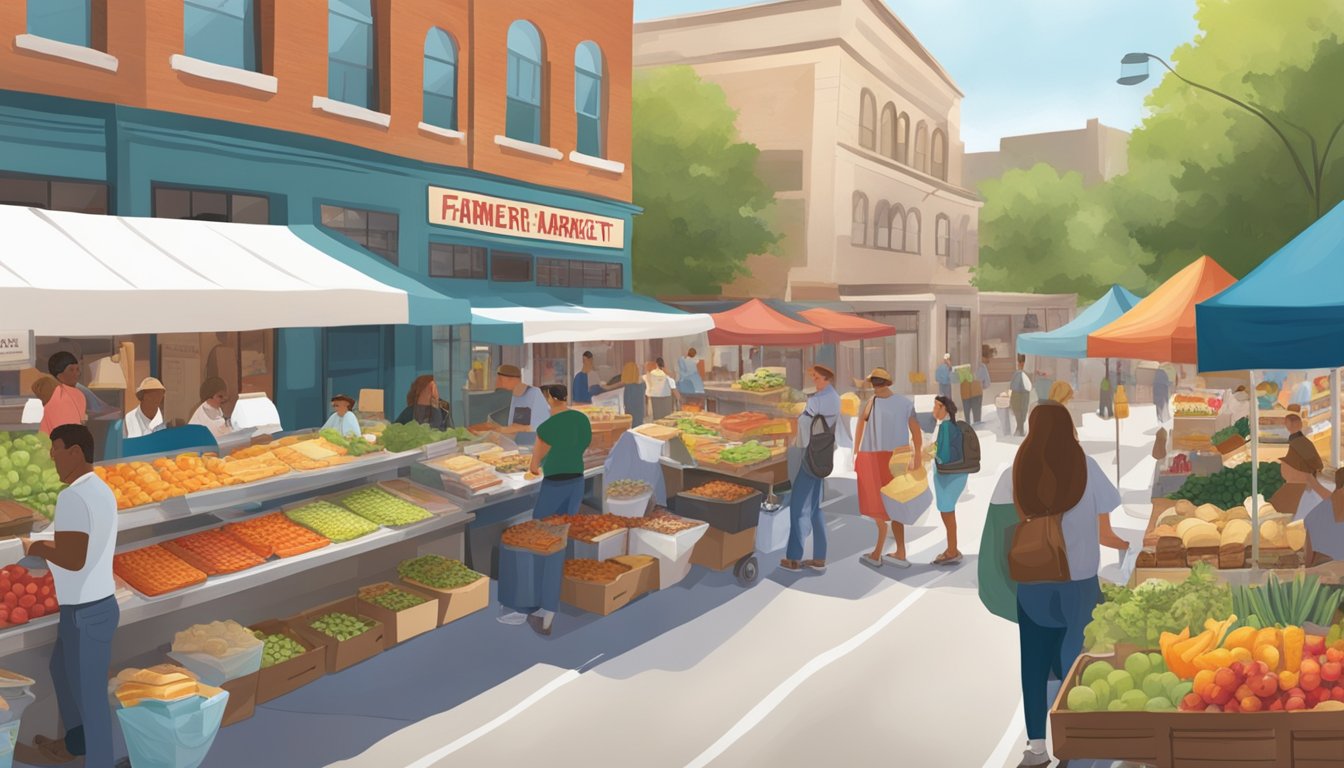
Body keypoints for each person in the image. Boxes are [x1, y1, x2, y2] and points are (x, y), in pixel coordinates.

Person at [993, 402, 1128, 768]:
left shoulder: (1015, 472)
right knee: (1078, 664)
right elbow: (1106, 532)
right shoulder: (1088, 467)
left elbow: (999, 535)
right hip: (1081, 584)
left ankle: (1037, 748)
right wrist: (1128, 548)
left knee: (1035, 665)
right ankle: (1076, 746)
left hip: (1033, 582)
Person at [16, 424, 118, 768]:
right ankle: (75, 743)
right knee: (60, 668)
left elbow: (73, 557)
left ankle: (98, 759)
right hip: (91, 607)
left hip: (87, 612)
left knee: (92, 701)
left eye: (55, 449)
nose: (51, 456)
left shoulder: (72, 496)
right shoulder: (100, 488)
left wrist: (39, 545)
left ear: (75, 452)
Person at [501, 384, 591, 636]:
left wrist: (533, 469)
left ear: (550, 398)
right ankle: (551, 604)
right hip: (576, 483)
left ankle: (541, 609)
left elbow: (534, 464)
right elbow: (583, 445)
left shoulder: (547, 427)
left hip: (554, 486)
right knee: (560, 539)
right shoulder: (581, 419)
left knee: (540, 543)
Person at [781, 365, 851, 573]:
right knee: (814, 508)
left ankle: (793, 558)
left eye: (818, 378)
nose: (815, 381)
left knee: (797, 506)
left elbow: (802, 424)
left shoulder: (819, 400)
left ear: (828, 379)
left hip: (810, 456)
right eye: (813, 377)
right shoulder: (833, 397)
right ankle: (820, 557)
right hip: (822, 455)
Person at [852, 368, 921, 569]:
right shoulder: (902, 403)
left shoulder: (873, 402)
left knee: (878, 504)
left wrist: (856, 454)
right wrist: (916, 455)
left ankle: (881, 552)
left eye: (875, 382)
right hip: (891, 458)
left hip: (878, 457)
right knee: (891, 503)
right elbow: (915, 431)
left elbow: (859, 428)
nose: (875, 386)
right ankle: (897, 551)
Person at [931, 396, 969, 565]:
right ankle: (952, 548)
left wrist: (932, 454)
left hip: (947, 476)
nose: (933, 410)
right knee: (949, 513)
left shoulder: (945, 427)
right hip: (955, 475)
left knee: (947, 513)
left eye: (936, 407)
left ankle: (952, 551)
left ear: (943, 409)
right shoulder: (952, 425)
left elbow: (944, 456)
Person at [39, 352, 86, 436]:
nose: (77, 374)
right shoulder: (53, 392)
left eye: (77, 369)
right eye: (71, 370)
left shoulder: (79, 394)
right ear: (59, 374)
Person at [496, 365, 550, 431]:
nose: (497, 384)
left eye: (500, 380)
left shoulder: (533, 393)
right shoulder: (509, 396)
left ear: (512, 380)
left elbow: (544, 423)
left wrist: (522, 428)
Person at [1010, 354, 1032, 437]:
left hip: (1022, 394)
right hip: (1020, 394)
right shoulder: (1018, 374)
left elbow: (1013, 386)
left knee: (1021, 412)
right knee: (1020, 412)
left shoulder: (1021, 374)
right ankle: (1020, 429)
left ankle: (1020, 429)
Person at [619, 362, 646, 427]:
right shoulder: (642, 386)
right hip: (639, 419)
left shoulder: (627, 388)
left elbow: (626, 404)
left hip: (629, 419)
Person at [967, 353, 990, 425]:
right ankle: (977, 426)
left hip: (967, 391)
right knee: (977, 412)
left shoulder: (967, 366)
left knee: (967, 412)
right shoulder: (982, 367)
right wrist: (982, 386)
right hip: (977, 391)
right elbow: (987, 382)